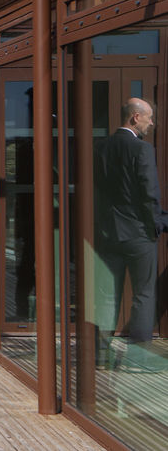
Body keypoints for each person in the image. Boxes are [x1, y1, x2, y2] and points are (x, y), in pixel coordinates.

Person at [94, 97, 168, 372]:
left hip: (108, 234)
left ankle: (100, 357)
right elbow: (149, 193)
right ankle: (136, 360)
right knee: (143, 295)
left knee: (106, 296)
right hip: (138, 234)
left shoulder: (100, 148)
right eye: (149, 118)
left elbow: (98, 192)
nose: (152, 123)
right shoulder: (142, 149)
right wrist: (156, 224)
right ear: (135, 118)